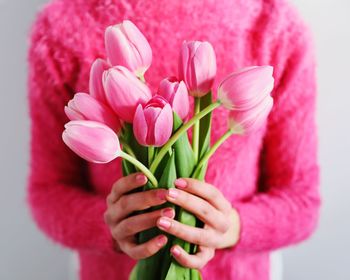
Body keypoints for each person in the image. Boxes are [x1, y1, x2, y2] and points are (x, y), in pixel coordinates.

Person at [26, 0, 321, 279]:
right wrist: (109, 225)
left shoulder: (274, 25)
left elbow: (302, 203)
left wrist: (233, 227)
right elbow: (47, 193)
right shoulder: (62, 26)